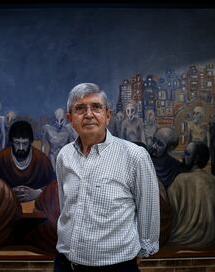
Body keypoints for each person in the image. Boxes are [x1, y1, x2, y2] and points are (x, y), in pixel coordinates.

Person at [55, 83, 160, 272]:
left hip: (116, 266)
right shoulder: (64, 155)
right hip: (65, 262)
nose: (88, 114)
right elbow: (66, 206)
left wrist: (144, 249)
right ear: (70, 118)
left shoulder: (134, 156)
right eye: (80, 108)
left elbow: (148, 208)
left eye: (96, 107)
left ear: (108, 116)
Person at [167, 141, 215, 248]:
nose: (182, 156)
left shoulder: (180, 180)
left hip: (182, 240)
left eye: (187, 153)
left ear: (196, 159)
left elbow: (168, 214)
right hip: (213, 241)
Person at [0, 120, 56, 202]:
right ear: (11, 141)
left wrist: (37, 193)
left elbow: (54, 185)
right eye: (17, 143)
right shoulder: (1, 158)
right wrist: (8, 192)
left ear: (30, 142)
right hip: (7, 205)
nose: (21, 148)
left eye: (25, 143)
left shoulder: (42, 160)